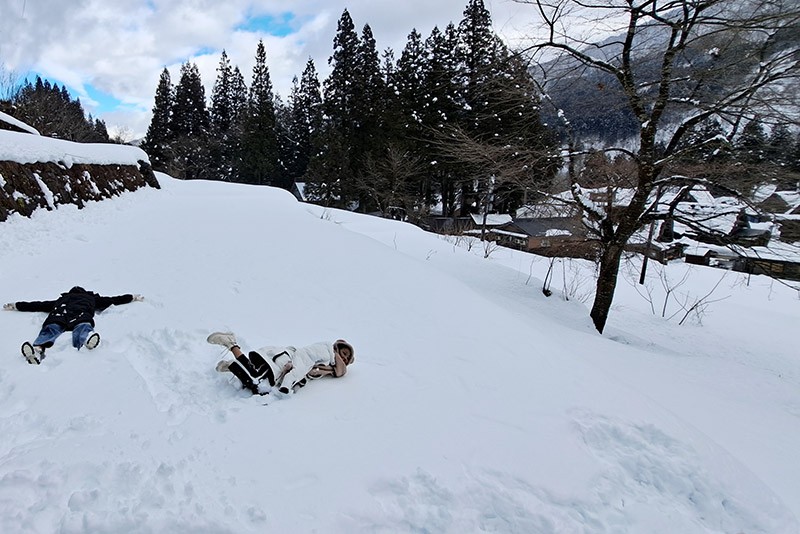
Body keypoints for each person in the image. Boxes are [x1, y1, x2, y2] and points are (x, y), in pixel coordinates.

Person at [3, 286, 144, 364]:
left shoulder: (63, 299)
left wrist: (15, 306)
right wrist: (132, 297)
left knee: (50, 329)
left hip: (60, 314)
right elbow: (114, 299)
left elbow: (38, 305)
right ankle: (85, 339)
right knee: (82, 326)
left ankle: (38, 348)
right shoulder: (92, 298)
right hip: (79, 314)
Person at [207, 331, 354, 395]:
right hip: (282, 362)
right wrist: (289, 381)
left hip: (281, 366)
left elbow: (307, 373)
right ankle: (231, 344)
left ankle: (237, 366)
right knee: (257, 382)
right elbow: (304, 357)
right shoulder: (326, 351)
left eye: (347, 360)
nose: (345, 358)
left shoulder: (329, 367)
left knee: (259, 388)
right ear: (337, 347)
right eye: (345, 353)